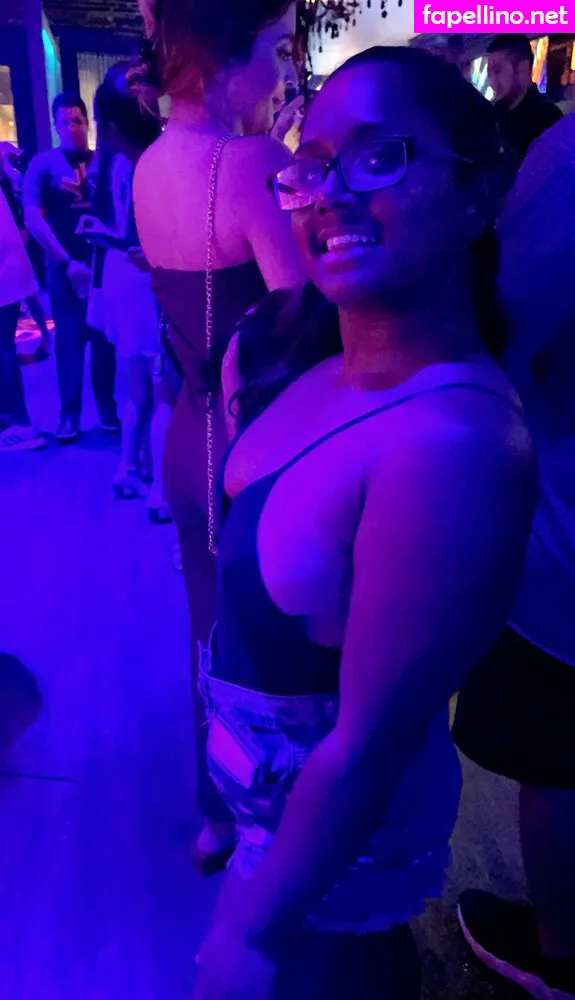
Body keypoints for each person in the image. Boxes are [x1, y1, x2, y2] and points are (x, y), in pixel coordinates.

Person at [192, 46, 537, 1000]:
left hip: (325, 881)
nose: (331, 194)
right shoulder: (317, 368)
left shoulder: (455, 444)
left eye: (380, 158)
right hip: (276, 843)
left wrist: (249, 930)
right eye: (311, 167)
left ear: (477, 193)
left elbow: (370, 739)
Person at [133, 0, 305, 872]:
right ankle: (272, 821)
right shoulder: (249, 163)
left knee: (204, 630)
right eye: (274, 50)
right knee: (273, 647)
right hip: (254, 442)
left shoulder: (149, 163)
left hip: (189, 436)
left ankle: (214, 813)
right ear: (223, 60)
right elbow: (305, 323)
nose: (281, 73)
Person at [454, 111, 575, 1000]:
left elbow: (505, 319)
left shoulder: (567, 161)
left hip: (563, 527)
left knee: (558, 747)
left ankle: (560, 951)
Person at [90, 62, 171, 520]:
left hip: (120, 276)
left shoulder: (110, 162)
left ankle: (128, 467)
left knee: (134, 382)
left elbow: (114, 228)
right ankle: (160, 487)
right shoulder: (156, 161)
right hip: (150, 279)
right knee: (161, 387)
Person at [23, 93, 118, 443]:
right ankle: (70, 414)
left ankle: (107, 407)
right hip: (63, 270)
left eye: (77, 120)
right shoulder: (43, 165)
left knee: (104, 340)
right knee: (68, 341)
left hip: (102, 267)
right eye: (64, 121)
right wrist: (68, 262)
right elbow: (34, 220)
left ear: (86, 123)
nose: (71, 127)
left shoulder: (103, 162)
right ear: (55, 125)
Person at [0, 185, 45, 451]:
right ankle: (13, 420)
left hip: (4, 273)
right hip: (10, 271)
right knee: (3, 346)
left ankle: (18, 424)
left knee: (2, 348)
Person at [487, 34, 562, 164]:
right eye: (489, 73)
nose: (491, 82)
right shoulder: (497, 112)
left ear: (522, 69)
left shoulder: (548, 118)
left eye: (497, 71)